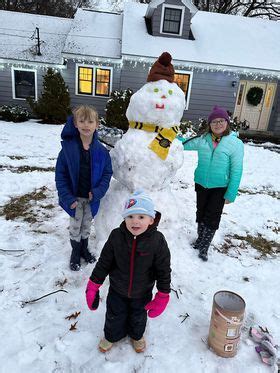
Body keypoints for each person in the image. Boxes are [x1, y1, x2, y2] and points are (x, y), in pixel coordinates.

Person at [85, 191, 171, 353]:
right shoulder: (116, 236)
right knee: (114, 315)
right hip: (117, 289)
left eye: (141, 217)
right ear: (124, 218)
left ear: (151, 220)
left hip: (142, 291)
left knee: (138, 317)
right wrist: (93, 285)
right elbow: (104, 262)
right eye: (130, 216)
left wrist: (163, 294)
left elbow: (163, 269)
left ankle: (136, 335)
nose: (135, 222)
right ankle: (111, 336)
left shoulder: (157, 241)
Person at [181, 105, 244, 261]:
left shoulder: (235, 144)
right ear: (209, 124)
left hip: (220, 187)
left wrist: (231, 193)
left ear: (227, 123)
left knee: (212, 216)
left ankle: (205, 246)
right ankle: (200, 239)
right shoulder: (203, 140)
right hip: (201, 183)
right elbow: (183, 144)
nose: (218, 124)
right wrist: (166, 139)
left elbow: (237, 170)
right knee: (200, 212)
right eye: (214, 121)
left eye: (221, 121)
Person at [55, 105, 113, 271]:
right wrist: (67, 198)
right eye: (81, 121)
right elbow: (61, 175)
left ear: (97, 124)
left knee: (86, 225)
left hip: (91, 198)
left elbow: (107, 174)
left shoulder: (102, 152)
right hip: (73, 198)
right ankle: (75, 251)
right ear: (75, 123)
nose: (86, 125)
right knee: (75, 226)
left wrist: (98, 192)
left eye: (90, 121)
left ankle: (84, 249)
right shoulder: (68, 149)